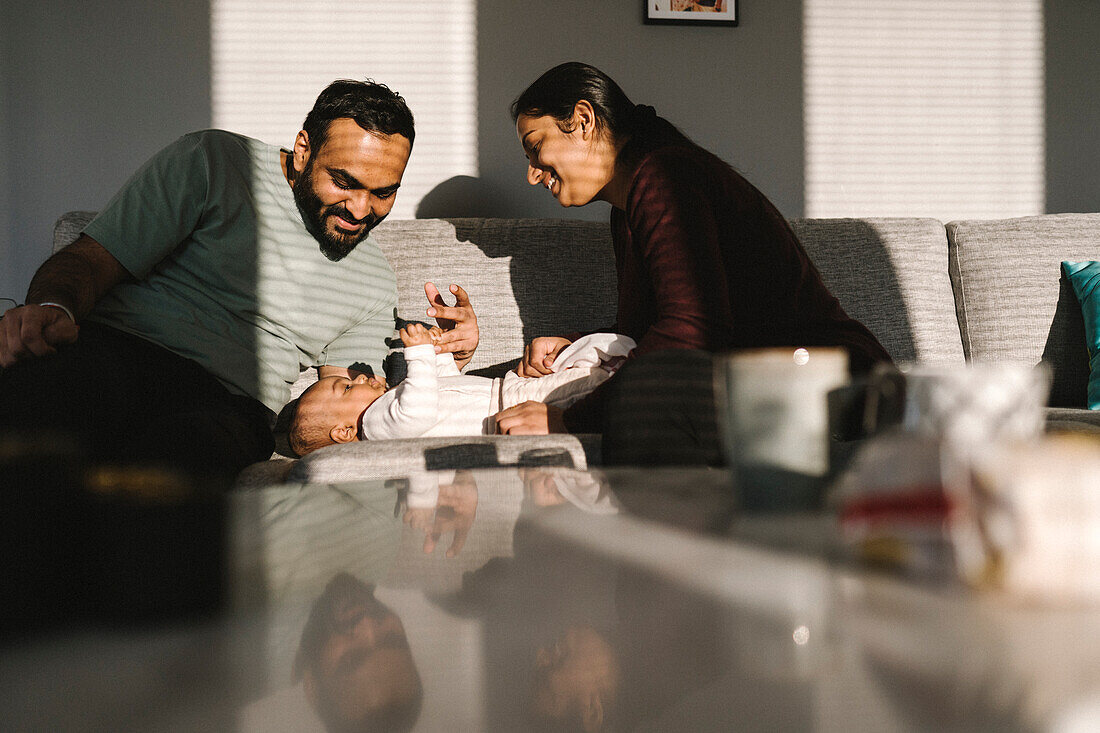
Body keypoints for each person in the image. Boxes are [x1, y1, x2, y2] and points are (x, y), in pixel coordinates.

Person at [0, 79, 479, 484]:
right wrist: (52, 310)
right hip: (120, 349)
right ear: (303, 150)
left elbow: (352, 407)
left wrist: (444, 365)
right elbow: (89, 261)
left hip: (230, 406)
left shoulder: (374, 281)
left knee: (164, 479)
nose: (359, 210)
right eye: (344, 181)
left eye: (383, 193)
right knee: (36, 424)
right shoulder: (214, 163)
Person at [497, 61, 891, 464]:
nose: (531, 174)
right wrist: (577, 344)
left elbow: (691, 332)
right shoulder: (629, 204)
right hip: (770, 382)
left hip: (833, 382)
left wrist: (567, 421)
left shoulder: (667, 177)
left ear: (582, 120)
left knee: (649, 395)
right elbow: (667, 323)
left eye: (535, 147)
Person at [290, 323, 634, 455]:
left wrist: (441, 349)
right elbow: (420, 409)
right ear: (344, 431)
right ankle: (624, 370)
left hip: (512, 392)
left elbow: (443, 384)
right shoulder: (378, 426)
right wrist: (421, 353)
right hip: (513, 410)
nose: (361, 377)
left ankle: (618, 362)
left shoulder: (395, 399)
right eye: (348, 389)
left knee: (587, 365)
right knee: (593, 381)